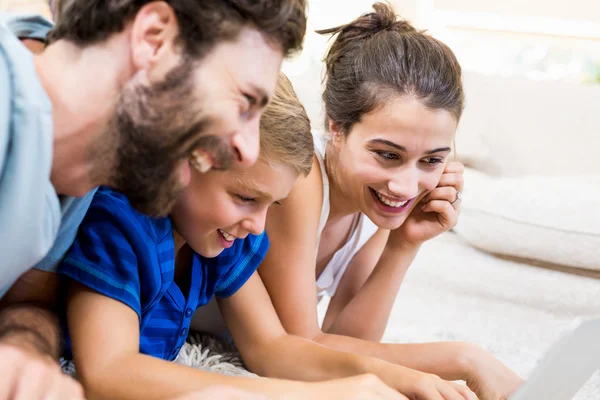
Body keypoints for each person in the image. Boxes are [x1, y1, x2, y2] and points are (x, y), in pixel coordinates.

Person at [58, 74, 473, 400]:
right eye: (245, 198)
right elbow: (109, 372)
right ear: (180, 162)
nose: (258, 226)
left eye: (271, 205)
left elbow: (272, 346)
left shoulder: (222, 240)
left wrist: (393, 379)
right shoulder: (121, 225)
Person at [0, 1, 306, 398]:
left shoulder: (80, 179)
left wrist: (27, 352)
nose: (247, 150)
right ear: (154, 38)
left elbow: (27, 305)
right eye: (244, 103)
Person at [256, 4, 524, 400]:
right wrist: (464, 358)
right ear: (336, 126)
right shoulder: (302, 177)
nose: (405, 186)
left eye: (432, 160)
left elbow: (346, 344)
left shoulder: (376, 203)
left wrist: (403, 245)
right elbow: (304, 347)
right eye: (387, 154)